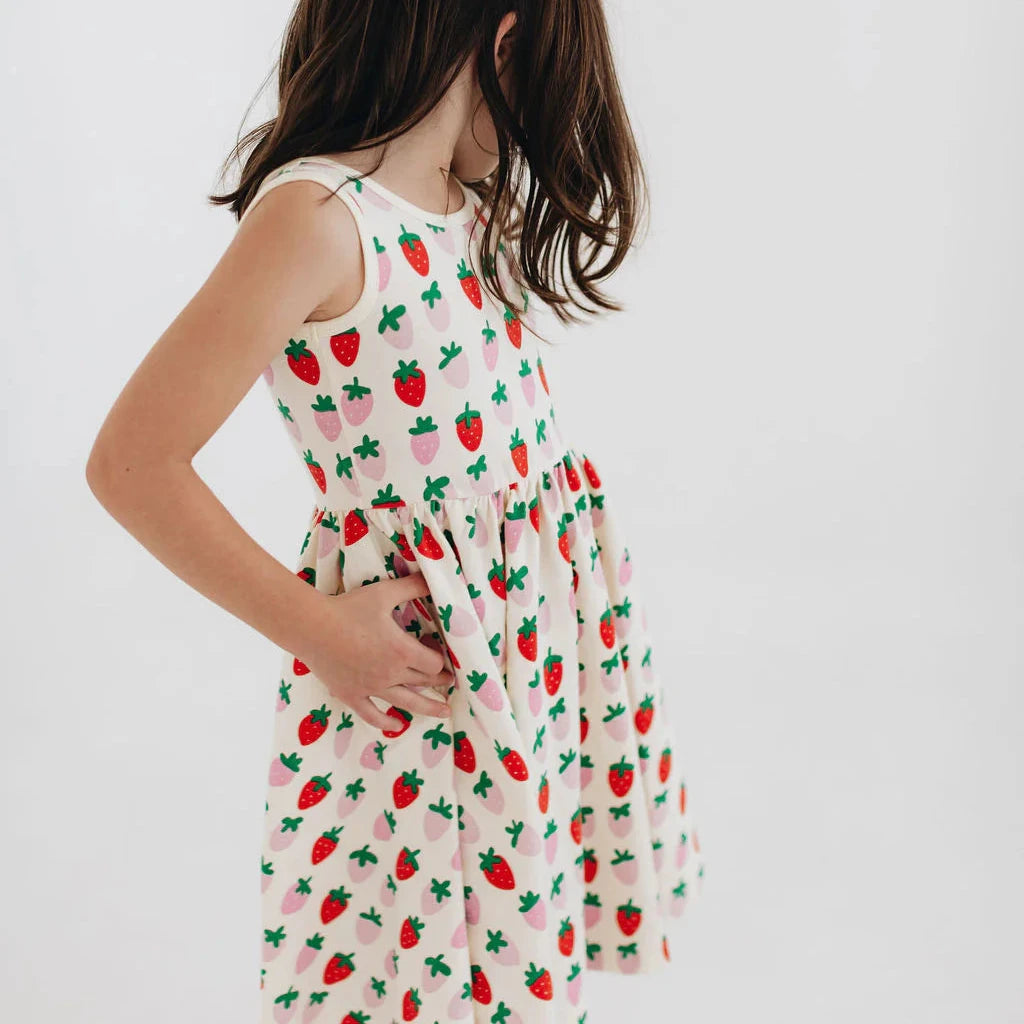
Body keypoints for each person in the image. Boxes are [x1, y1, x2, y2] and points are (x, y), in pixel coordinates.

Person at [86, 2, 705, 1021]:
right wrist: (318, 629)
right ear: (503, 43)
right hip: (422, 698)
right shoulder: (320, 217)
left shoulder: (467, 205)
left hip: (522, 679)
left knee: (503, 982)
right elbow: (131, 462)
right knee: (410, 982)